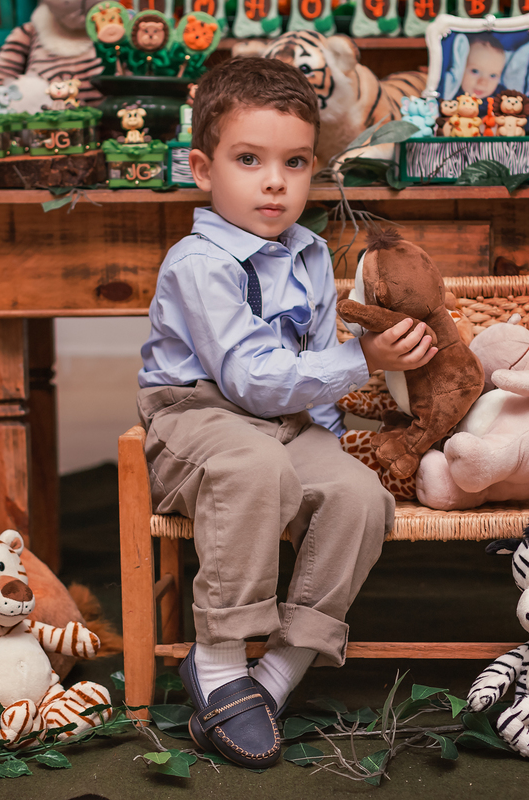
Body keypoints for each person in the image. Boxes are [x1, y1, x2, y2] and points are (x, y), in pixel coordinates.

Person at [136, 57, 437, 768]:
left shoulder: (308, 255)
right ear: (203, 169)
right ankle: (218, 656)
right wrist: (365, 360)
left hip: (285, 424)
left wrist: (328, 449)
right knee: (254, 467)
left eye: (295, 162)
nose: (275, 181)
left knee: (358, 497)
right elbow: (249, 380)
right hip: (197, 418)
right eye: (249, 160)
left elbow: (313, 373)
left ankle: (279, 670)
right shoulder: (199, 263)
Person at [460, 33, 506, 99]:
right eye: (475, 71)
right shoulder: (450, 94)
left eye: (493, 75)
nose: (483, 82)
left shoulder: (502, 96)